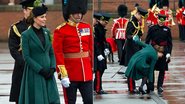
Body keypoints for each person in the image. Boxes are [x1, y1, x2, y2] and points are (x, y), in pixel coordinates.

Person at [18, 2, 60, 104]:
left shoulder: (47, 32)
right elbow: (27, 57)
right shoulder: (26, 35)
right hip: (35, 73)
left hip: (49, 73)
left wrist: (53, 68)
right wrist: (40, 70)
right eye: (42, 17)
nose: (45, 19)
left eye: (45, 16)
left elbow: (51, 52)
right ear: (34, 18)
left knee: (52, 99)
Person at [53, 0, 93, 103]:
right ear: (69, 13)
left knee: (89, 100)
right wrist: (62, 74)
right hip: (70, 73)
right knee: (70, 101)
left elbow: (90, 49)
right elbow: (58, 53)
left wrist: (92, 66)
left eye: (80, 13)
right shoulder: (60, 30)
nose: (79, 15)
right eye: (76, 13)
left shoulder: (86, 27)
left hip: (86, 73)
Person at [8, 0, 35, 103]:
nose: (32, 13)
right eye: (29, 10)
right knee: (20, 98)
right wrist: (25, 63)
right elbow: (13, 49)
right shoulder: (16, 27)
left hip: (36, 67)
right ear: (24, 10)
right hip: (21, 67)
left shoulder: (40, 26)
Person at [120, 6, 148, 94]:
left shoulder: (136, 22)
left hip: (136, 47)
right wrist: (133, 37)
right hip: (131, 48)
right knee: (131, 67)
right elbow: (127, 35)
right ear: (137, 14)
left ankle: (135, 86)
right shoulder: (131, 22)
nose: (141, 19)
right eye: (141, 16)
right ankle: (131, 88)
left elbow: (139, 33)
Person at [145, 14, 173, 97]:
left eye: (163, 20)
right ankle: (151, 85)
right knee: (151, 69)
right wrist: (147, 52)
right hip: (153, 51)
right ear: (157, 20)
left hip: (163, 51)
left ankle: (160, 86)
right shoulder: (152, 29)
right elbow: (147, 41)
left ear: (165, 21)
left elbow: (169, 43)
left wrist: (168, 53)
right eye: (160, 20)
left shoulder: (167, 30)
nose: (161, 22)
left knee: (162, 70)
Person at [93, 12, 111, 94]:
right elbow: (95, 42)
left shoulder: (101, 28)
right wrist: (99, 53)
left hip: (101, 51)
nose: (106, 23)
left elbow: (104, 41)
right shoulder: (96, 28)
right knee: (98, 71)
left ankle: (96, 86)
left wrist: (107, 48)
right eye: (105, 22)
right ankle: (98, 88)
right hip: (98, 52)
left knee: (102, 69)